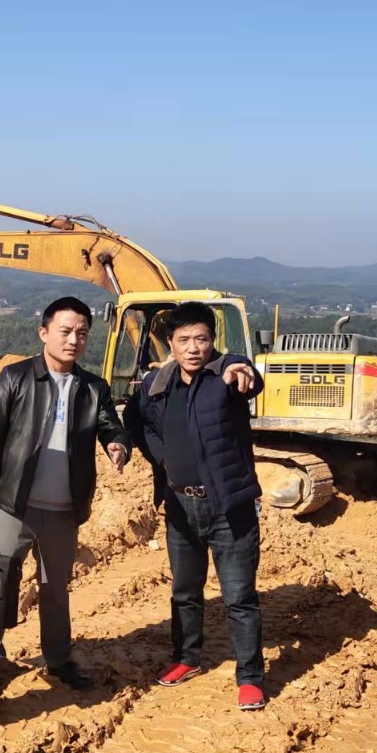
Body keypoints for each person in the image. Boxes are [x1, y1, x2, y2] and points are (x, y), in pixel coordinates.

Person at [0, 296, 131, 697]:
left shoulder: (93, 388)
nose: (73, 340)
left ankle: (59, 659)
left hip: (63, 510)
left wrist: (117, 444)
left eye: (82, 333)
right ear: (44, 333)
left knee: (55, 587)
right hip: (14, 504)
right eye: (65, 331)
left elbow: (112, 425)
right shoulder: (15, 377)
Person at [127, 301, 267, 709]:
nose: (193, 348)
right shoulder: (157, 386)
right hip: (180, 506)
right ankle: (187, 658)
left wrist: (242, 370)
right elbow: (138, 423)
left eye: (201, 339)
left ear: (212, 341)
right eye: (184, 339)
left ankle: (250, 677)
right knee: (185, 591)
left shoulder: (225, 375)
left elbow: (247, 378)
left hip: (229, 508)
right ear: (170, 344)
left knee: (239, 596)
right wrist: (162, 457)